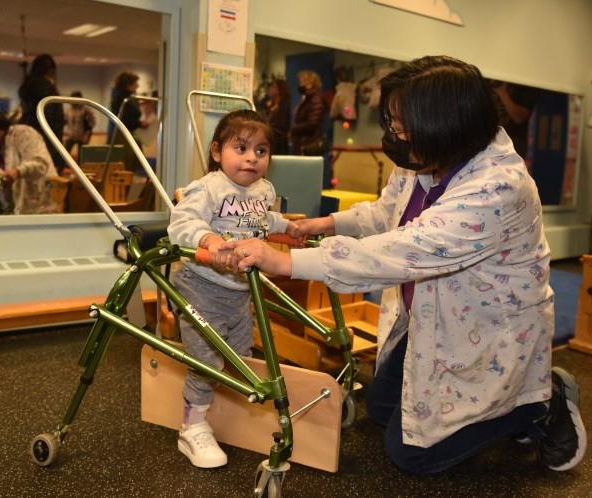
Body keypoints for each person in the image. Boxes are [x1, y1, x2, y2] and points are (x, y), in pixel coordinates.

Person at [224, 56, 586, 474]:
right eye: (392, 123)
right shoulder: (425, 158)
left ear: (443, 124)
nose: (394, 135)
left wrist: (285, 261)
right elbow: (388, 213)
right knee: (381, 410)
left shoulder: (497, 188)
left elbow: (402, 251)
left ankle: (537, 404)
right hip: (433, 317)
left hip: (488, 331)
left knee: (413, 454)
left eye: (401, 125)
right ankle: (506, 408)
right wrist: (324, 223)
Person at [167, 109, 299, 468]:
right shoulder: (209, 188)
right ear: (216, 152)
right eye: (241, 148)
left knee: (240, 355)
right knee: (206, 360)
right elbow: (182, 222)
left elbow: (263, 219)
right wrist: (210, 241)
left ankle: (220, 410)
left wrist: (289, 226)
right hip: (201, 286)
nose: (251, 158)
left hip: (241, 290)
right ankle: (192, 427)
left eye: (261, 151)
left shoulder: (263, 190)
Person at [0, 107, 57, 214]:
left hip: (42, 203)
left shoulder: (23, 133)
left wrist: (18, 171)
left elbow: (41, 164)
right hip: (14, 209)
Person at [18, 54, 65, 173]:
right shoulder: (47, 88)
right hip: (47, 135)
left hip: (28, 132)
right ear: (50, 70)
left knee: (30, 168)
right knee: (46, 169)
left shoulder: (26, 85)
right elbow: (51, 116)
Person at [289, 70, 327, 156]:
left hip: (309, 142)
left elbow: (312, 123)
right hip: (303, 141)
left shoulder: (315, 99)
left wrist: (294, 130)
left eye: (302, 81)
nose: (300, 84)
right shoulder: (307, 99)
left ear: (310, 84)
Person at [64, 91, 96, 160]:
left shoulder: (86, 109)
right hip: (70, 135)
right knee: (65, 154)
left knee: (81, 157)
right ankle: (63, 166)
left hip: (82, 136)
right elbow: (65, 120)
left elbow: (92, 122)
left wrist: (87, 134)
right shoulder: (69, 109)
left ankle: (79, 166)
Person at [108, 71, 142, 137]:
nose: (137, 86)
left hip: (124, 133)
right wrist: (140, 124)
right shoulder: (123, 99)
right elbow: (126, 119)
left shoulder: (123, 97)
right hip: (123, 135)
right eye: (135, 83)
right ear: (128, 85)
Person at [265, 78, 291, 155]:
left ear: (280, 90)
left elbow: (282, 125)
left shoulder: (284, 106)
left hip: (279, 143)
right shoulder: (270, 105)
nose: (270, 89)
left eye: (273, 87)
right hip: (270, 140)